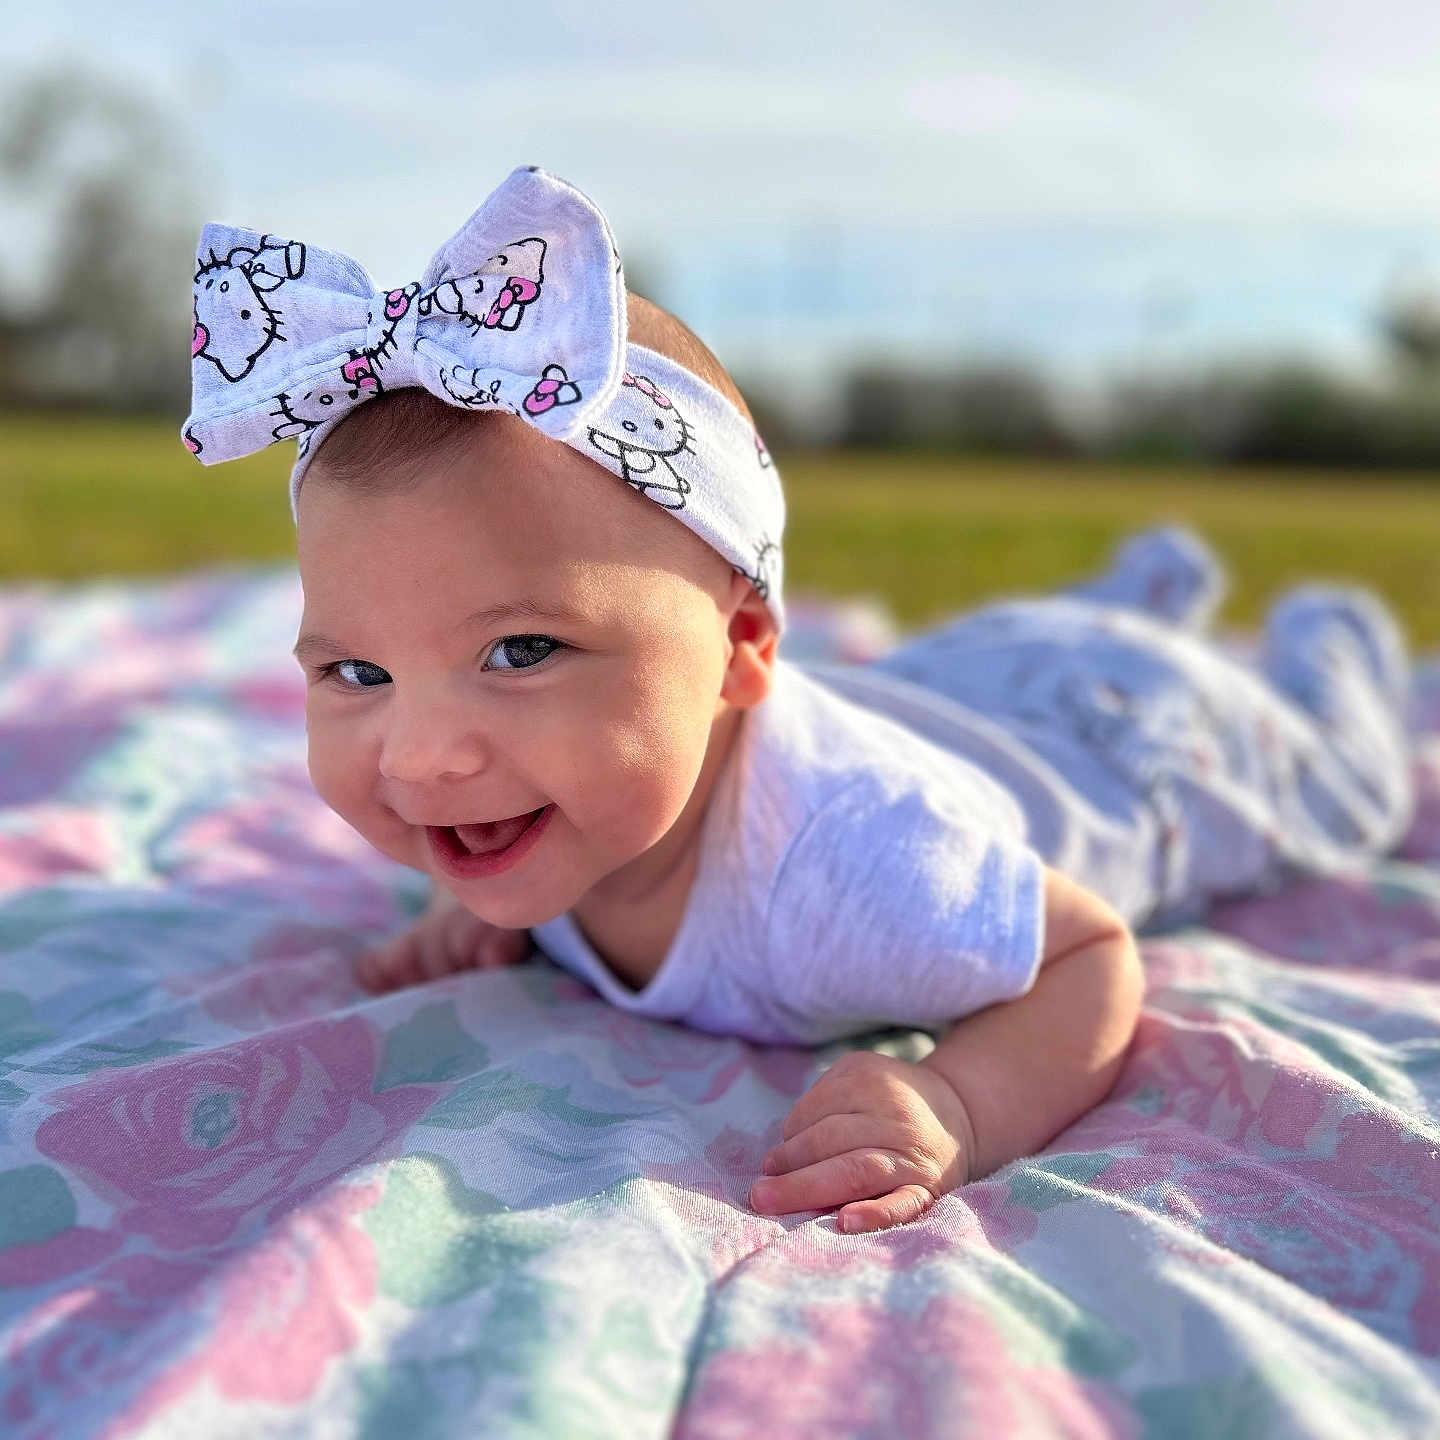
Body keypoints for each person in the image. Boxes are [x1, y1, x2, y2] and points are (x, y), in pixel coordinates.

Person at [182, 168, 1413, 1235]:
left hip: (1135, 742)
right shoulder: (556, 803)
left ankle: (1322, 648)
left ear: (739, 651)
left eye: (518, 653)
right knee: (1011, 652)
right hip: (956, 689)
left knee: (1337, 789)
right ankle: (1136, 590)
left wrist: (957, 1099)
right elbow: (533, 824)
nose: (426, 756)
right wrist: (504, 912)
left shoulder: (853, 873)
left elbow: (1089, 953)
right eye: (357, 673)